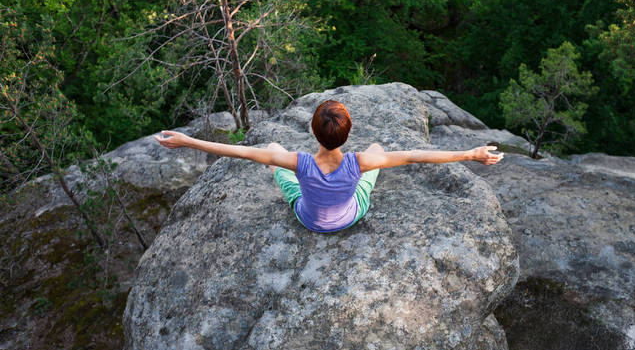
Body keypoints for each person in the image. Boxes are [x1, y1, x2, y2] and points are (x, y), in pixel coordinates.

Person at [155, 99, 504, 233]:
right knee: (378, 154)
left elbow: (238, 152)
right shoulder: (358, 162)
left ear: (313, 131)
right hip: (350, 215)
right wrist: (471, 154)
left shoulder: (299, 163)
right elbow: (415, 155)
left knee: (272, 152)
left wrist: (187, 140)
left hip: (308, 218)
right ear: (347, 133)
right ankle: (360, 190)